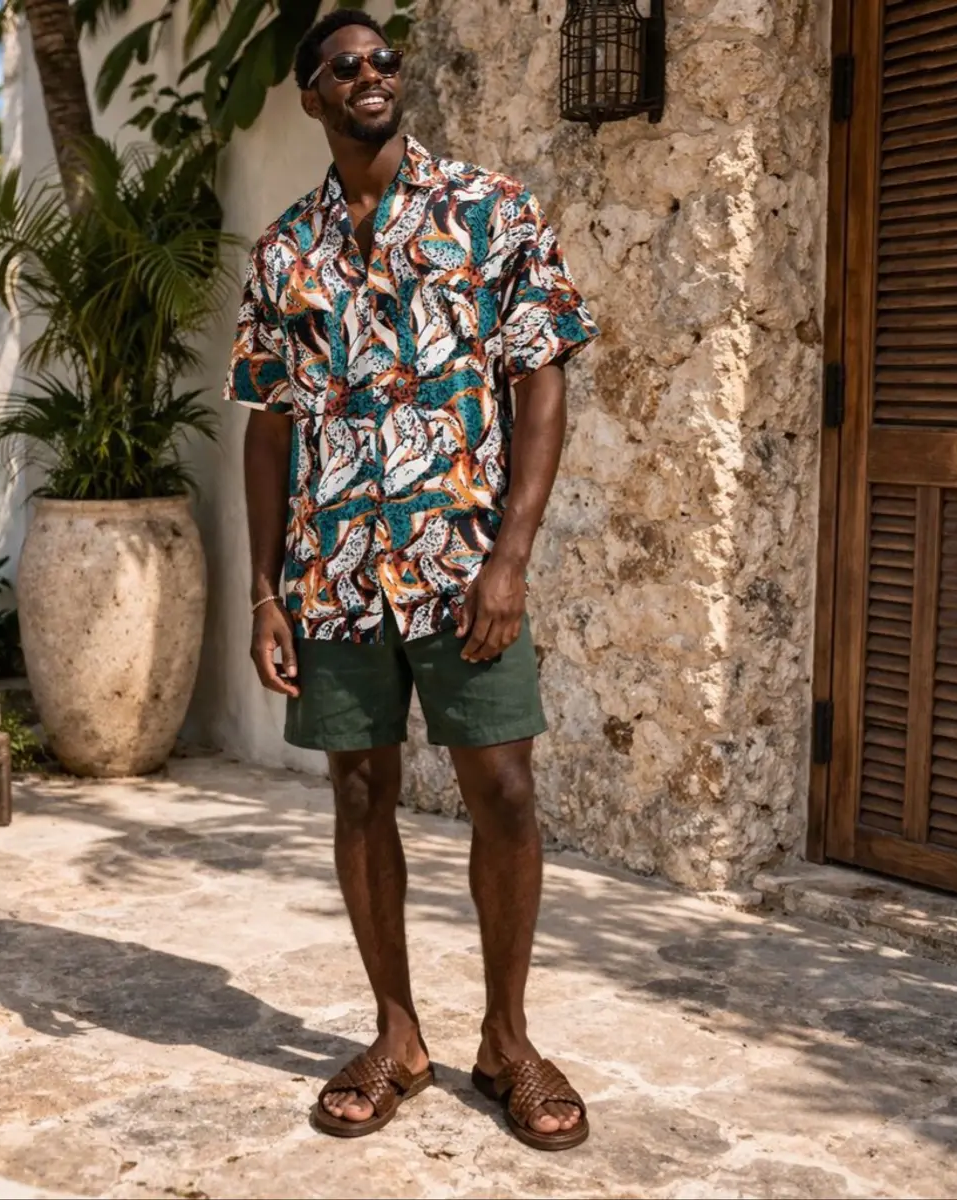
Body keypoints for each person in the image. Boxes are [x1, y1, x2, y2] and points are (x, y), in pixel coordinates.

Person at [224, 8, 599, 1152]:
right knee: (355, 793)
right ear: (311, 98)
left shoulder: (492, 210)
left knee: (507, 793)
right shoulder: (283, 251)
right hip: (334, 570)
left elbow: (541, 382)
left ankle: (508, 1041)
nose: (372, 75)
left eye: (386, 59)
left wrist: (511, 558)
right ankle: (397, 1037)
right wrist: (267, 589)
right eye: (345, 66)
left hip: (460, 562)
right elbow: (268, 428)